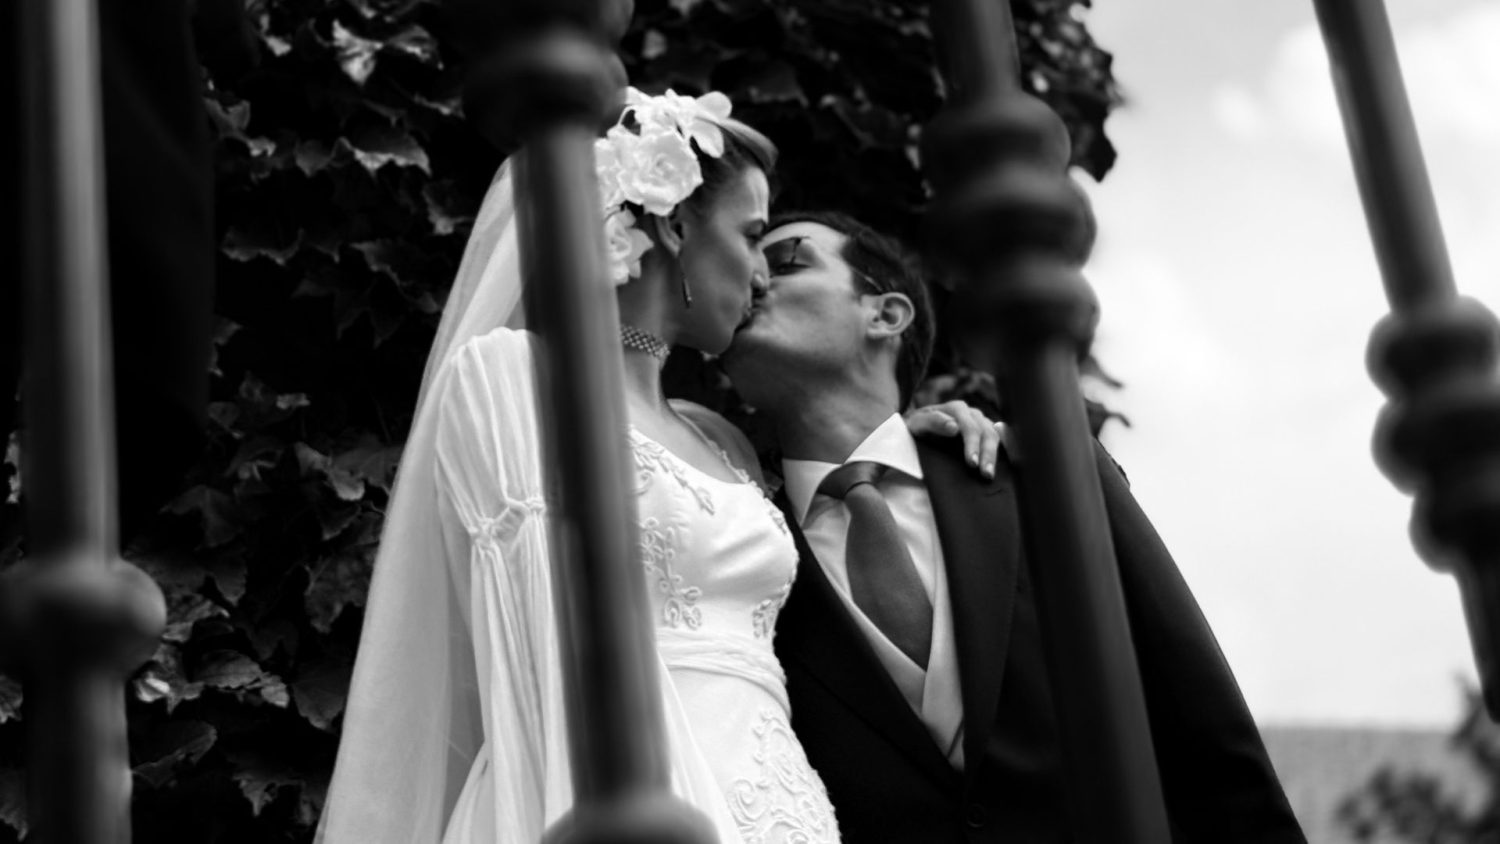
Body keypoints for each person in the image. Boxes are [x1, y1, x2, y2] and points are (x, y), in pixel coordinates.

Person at [317, 90, 1001, 844]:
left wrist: (898, 443)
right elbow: (540, 639)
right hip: (608, 801)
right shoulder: (516, 378)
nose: (761, 277)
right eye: (751, 236)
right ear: (675, 225)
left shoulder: (723, 442)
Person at [719, 211, 1308, 843]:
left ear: (885, 315)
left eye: (786, 262)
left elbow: (1201, 723)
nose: (752, 278)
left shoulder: (1045, 476)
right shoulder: (737, 552)